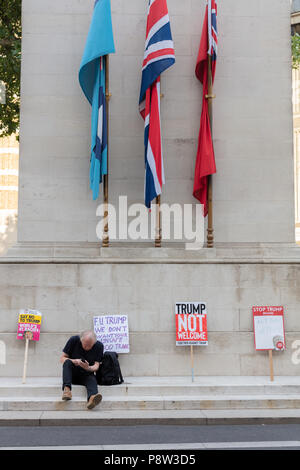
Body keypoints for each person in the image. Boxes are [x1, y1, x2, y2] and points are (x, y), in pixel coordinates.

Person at [60, 330, 104, 409]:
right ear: (81, 340)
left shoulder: (99, 346)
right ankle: (67, 390)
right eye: (85, 345)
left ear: (94, 343)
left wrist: (88, 367)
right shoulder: (73, 340)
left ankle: (92, 398)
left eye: (90, 345)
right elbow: (62, 358)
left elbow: (96, 366)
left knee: (92, 378)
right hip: (72, 374)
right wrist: (74, 361)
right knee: (67, 362)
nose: (87, 347)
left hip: (86, 373)